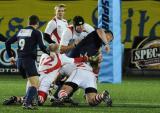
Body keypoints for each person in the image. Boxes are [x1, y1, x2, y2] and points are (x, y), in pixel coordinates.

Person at [5, 15, 53, 110]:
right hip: (29, 61)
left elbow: (7, 42)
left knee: (33, 82)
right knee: (35, 84)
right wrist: (49, 53)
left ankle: (29, 100)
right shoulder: (37, 32)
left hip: (19, 61)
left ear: (28, 23)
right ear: (37, 24)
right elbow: (42, 47)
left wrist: (11, 57)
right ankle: (27, 103)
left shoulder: (21, 31)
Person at [57, 28, 113, 107]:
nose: (109, 40)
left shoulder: (97, 49)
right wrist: (106, 44)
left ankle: (62, 97)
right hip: (89, 74)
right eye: (109, 37)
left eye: (110, 40)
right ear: (105, 33)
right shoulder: (96, 36)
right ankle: (101, 96)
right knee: (92, 101)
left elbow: (60, 73)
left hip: (80, 70)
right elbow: (100, 30)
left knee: (63, 90)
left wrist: (54, 82)